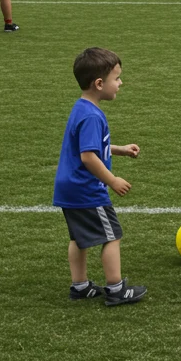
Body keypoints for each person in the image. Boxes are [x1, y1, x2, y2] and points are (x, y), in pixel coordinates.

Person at [53, 47, 146, 306]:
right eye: (116, 78)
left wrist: (119, 149)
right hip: (87, 190)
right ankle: (116, 289)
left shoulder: (81, 108)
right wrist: (112, 180)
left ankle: (80, 285)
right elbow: (88, 157)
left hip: (68, 188)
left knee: (79, 239)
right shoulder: (93, 116)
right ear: (99, 83)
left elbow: (90, 147)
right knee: (111, 235)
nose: (120, 83)